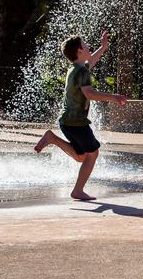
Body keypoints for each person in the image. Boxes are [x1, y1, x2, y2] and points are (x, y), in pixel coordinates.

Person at [34, 31, 127, 200]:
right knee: (93, 154)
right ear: (79, 51)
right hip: (77, 121)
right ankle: (77, 190)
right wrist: (113, 97)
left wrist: (103, 48)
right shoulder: (82, 72)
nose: (88, 47)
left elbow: (91, 61)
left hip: (67, 121)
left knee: (81, 156)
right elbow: (89, 94)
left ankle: (52, 138)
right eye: (85, 45)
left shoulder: (75, 69)